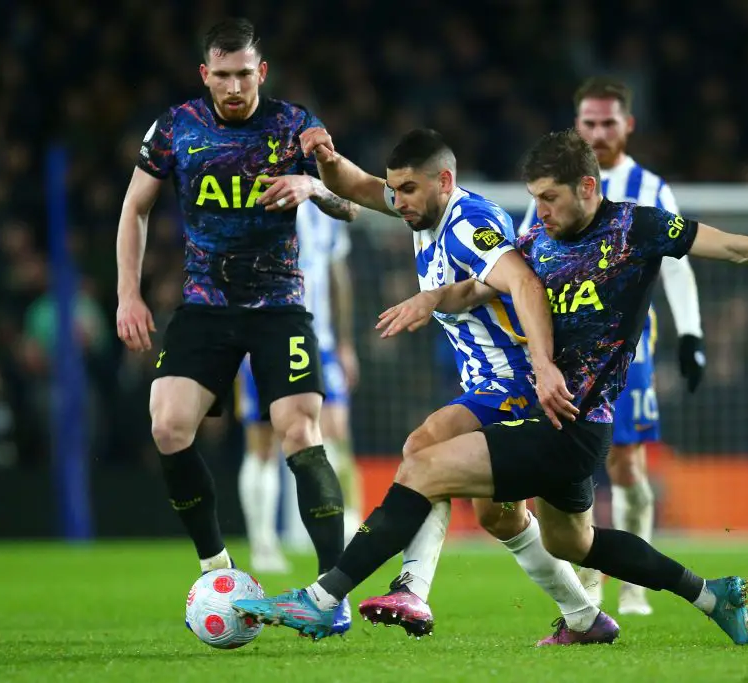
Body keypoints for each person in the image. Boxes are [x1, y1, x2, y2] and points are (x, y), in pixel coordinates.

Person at [234, 128, 748, 645]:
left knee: (424, 461)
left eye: (550, 197)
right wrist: (435, 294)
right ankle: (709, 595)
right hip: (561, 422)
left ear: (588, 186)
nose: (540, 211)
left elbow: (737, 248)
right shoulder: (538, 235)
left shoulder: (637, 228)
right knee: (572, 543)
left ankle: (326, 600)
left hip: (566, 420)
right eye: (535, 200)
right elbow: (492, 280)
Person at [284, 126, 612, 645]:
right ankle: (585, 618)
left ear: (444, 180)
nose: (398, 200)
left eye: (408, 189)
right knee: (500, 518)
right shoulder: (421, 210)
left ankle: (408, 588)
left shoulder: (469, 223)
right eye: (396, 189)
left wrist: (545, 366)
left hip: (517, 383)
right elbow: (356, 186)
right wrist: (326, 158)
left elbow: (524, 282)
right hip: (487, 383)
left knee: (422, 448)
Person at [114, 18, 358, 632]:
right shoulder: (175, 128)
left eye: (243, 74)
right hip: (204, 305)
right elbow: (135, 207)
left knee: (299, 430)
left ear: (261, 72)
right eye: (221, 75)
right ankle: (216, 567)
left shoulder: (297, 126)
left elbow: (350, 203)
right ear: (205, 74)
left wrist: (312, 184)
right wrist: (128, 295)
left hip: (279, 306)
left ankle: (333, 598)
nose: (233, 86)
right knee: (168, 427)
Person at [519, 76, 705, 614]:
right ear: (577, 127)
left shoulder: (651, 189)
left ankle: (635, 587)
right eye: (589, 123)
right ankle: (596, 577)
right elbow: (528, 268)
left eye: (608, 122)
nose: (599, 132)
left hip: (631, 355)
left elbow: (679, 265)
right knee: (575, 472)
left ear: (628, 125)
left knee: (627, 463)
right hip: (571, 355)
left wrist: (690, 333)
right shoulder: (552, 192)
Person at [235, 200, 362, 574]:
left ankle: (350, 529)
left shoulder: (326, 208)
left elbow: (337, 275)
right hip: (264, 337)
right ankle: (263, 543)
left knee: (336, 432)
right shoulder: (258, 202)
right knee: (263, 442)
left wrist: (345, 343)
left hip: (319, 341)